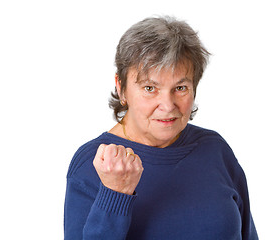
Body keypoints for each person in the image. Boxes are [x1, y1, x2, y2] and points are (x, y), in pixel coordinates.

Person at [64, 16, 258, 240]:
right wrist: (115, 194)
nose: (167, 106)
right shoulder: (94, 164)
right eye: (150, 88)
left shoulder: (215, 149)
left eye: (180, 87)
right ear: (121, 88)